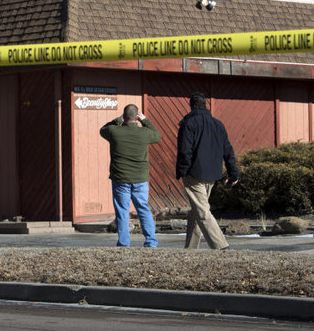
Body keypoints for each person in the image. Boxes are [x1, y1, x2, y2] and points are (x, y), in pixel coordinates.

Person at [176, 91, 239, 250]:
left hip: (194, 173)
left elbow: (185, 151)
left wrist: (182, 170)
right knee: (197, 211)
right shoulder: (218, 124)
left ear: (191, 105)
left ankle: (220, 245)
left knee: (202, 211)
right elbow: (228, 150)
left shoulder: (188, 124)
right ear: (206, 105)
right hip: (213, 174)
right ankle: (190, 248)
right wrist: (233, 173)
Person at [100, 104, 161, 247]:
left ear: (124, 116)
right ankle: (151, 241)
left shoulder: (114, 131)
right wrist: (145, 120)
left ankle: (124, 243)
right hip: (140, 178)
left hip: (120, 178)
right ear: (137, 117)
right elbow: (158, 136)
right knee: (143, 209)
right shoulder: (145, 132)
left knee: (122, 210)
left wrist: (117, 120)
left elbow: (102, 130)